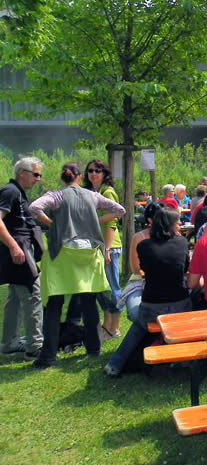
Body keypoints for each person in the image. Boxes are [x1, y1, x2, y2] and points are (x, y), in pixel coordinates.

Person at [28, 163, 125, 368]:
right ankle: (93, 348)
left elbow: (34, 208)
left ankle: (48, 355)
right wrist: (96, 221)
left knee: (54, 303)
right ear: (80, 177)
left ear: (63, 177)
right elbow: (119, 210)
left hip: (62, 252)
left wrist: (52, 223)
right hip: (88, 253)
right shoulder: (93, 196)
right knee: (88, 302)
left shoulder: (56, 196)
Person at [104, 208, 190, 377]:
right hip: (180, 305)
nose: (180, 225)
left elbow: (142, 270)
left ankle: (115, 365)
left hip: (152, 306)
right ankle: (179, 360)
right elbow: (185, 268)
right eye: (178, 222)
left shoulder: (143, 246)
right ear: (170, 225)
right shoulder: (182, 243)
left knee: (139, 325)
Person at [0, 157, 44, 360]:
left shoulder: (17, 192)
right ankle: (35, 346)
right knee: (33, 294)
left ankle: (9, 343)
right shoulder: (10, 191)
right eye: (35, 174)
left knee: (15, 297)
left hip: (19, 250)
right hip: (19, 250)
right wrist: (14, 246)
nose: (38, 179)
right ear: (21, 173)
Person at [82, 159, 125, 341]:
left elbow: (112, 222)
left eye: (97, 170)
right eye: (90, 171)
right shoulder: (92, 192)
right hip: (95, 246)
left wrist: (107, 249)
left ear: (104, 173)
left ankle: (114, 329)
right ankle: (106, 325)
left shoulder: (107, 192)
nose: (93, 174)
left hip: (109, 247)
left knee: (113, 288)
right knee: (101, 288)